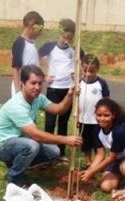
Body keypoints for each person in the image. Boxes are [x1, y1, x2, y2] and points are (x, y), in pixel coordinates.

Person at [0, 65, 82, 184]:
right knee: (31, 146)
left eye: (39, 83)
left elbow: (58, 109)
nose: (37, 87)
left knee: (54, 152)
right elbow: (36, 135)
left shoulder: (38, 98)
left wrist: (69, 95)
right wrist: (65, 139)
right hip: (2, 146)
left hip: (20, 142)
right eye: (33, 83)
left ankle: (17, 162)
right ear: (22, 84)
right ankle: (14, 179)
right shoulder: (17, 106)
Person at [80, 98, 125, 193]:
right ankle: (120, 176)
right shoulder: (97, 129)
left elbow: (111, 158)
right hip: (117, 159)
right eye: (99, 115)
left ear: (113, 115)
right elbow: (100, 154)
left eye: (106, 115)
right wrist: (89, 171)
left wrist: (91, 172)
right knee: (106, 187)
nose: (102, 119)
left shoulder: (120, 131)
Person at [39, 18, 81, 160]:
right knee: (50, 122)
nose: (66, 41)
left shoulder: (75, 49)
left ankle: (61, 153)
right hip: (53, 90)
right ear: (59, 33)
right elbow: (35, 58)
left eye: (69, 38)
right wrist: (43, 76)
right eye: (64, 37)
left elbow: (84, 65)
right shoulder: (49, 47)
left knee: (63, 122)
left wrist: (77, 74)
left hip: (68, 91)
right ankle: (46, 153)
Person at [78, 54, 110, 167]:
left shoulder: (101, 83)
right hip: (83, 120)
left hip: (97, 120)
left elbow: (106, 100)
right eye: (85, 70)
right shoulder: (79, 84)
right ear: (81, 67)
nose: (88, 74)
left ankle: (99, 162)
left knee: (98, 142)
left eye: (92, 71)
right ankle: (88, 161)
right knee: (85, 142)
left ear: (97, 69)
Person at [11, 11, 44, 96]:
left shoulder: (31, 43)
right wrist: (18, 89)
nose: (40, 33)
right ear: (32, 27)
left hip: (30, 87)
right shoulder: (20, 43)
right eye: (39, 30)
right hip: (22, 88)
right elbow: (16, 67)